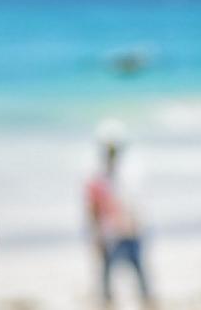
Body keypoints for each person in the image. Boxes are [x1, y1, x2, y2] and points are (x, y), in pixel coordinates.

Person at [86, 120, 152, 307]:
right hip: (111, 234)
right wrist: (96, 234)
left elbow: (135, 204)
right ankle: (109, 302)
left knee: (139, 273)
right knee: (108, 277)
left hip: (130, 231)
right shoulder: (98, 178)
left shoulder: (127, 174)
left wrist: (138, 224)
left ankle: (145, 301)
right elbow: (94, 209)